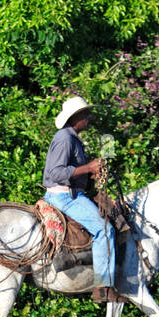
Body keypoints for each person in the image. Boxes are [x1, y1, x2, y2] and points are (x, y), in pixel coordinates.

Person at [42, 96, 118, 303]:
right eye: (85, 114)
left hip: (71, 194)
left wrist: (90, 175)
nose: (89, 118)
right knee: (105, 230)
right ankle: (103, 287)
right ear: (76, 117)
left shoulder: (71, 137)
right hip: (65, 197)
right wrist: (89, 168)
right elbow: (56, 173)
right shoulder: (66, 138)